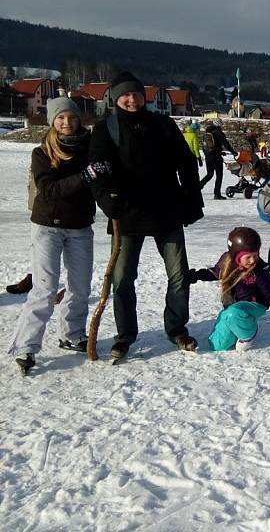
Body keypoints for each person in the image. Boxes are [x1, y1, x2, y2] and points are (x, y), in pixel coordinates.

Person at [89, 71, 204, 361]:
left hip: (166, 212)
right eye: (125, 95)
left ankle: (177, 328)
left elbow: (186, 163)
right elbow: (97, 168)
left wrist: (191, 198)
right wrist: (105, 199)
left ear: (144, 96)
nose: (131, 99)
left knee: (178, 275)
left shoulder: (163, 124)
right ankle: (125, 335)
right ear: (116, 99)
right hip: (126, 215)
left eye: (136, 94)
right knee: (123, 279)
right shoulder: (106, 129)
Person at [8, 98, 102, 374]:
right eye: (60, 118)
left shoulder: (90, 148)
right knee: (45, 288)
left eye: (71, 117)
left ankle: (72, 334)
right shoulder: (42, 153)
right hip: (48, 227)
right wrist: (85, 177)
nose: (66, 122)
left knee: (80, 286)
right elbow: (49, 190)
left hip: (81, 226)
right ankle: (26, 346)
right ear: (52, 121)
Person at [188, 227, 270, 351]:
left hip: (254, 305)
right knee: (217, 345)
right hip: (233, 308)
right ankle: (237, 327)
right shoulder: (227, 262)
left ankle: (248, 334)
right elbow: (215, 273)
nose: (253, 260)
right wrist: (195, 276)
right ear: (236, 256)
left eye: (255, 255)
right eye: (248, 257)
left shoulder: (259, 271)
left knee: (233, 313)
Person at [199, 118, 236, 200]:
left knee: (209, 174)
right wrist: (233, 151)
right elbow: (225, 143)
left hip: (208, 156)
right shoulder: (218, 132)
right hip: (216, 157)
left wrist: (220, 152)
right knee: (219, 175)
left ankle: (197, 188)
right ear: (219, 124)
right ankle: (217, 194)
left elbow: (211, 145)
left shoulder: (208, 132)